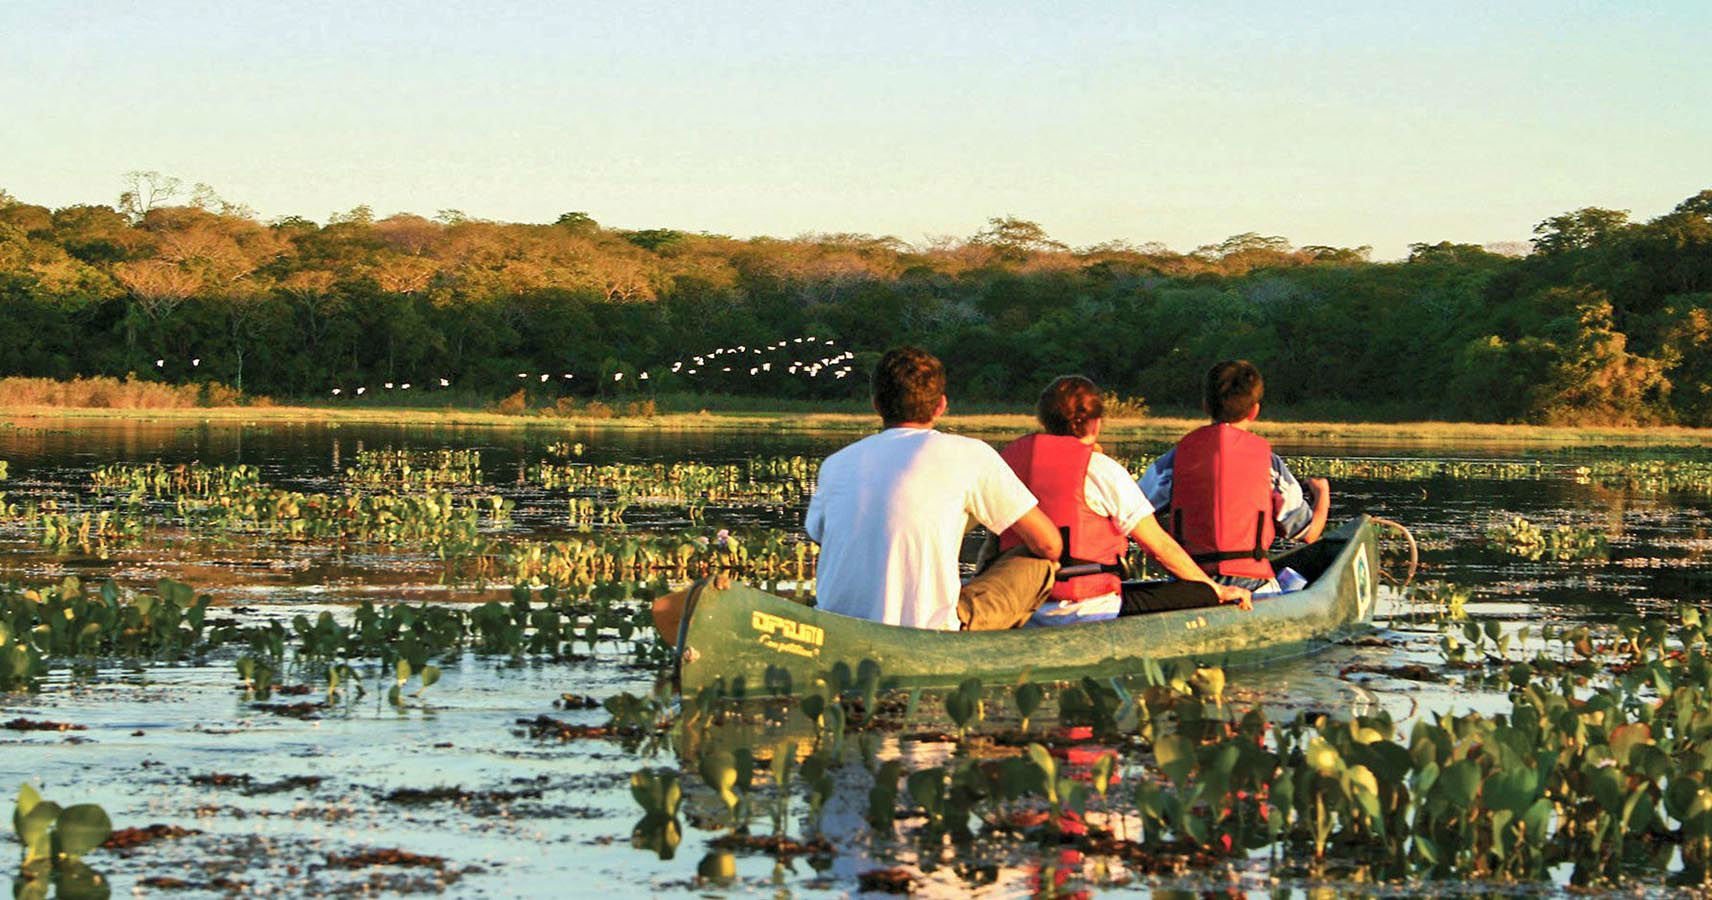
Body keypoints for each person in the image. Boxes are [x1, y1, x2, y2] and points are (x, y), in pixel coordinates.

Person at [651, 346, 1063, 643]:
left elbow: (820, 535)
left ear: (875, 404)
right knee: (1039, 561)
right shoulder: (970, 453)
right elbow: (1047, 542)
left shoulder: (837, 463)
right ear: (941, 406)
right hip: (929, 632)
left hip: (836, 630)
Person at [996, 376, 1251, 626]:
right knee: (1200, 592)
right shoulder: (1101, 469)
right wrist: (1216, 589)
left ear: (1044, 421)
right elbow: (1160, 547)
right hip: (1089, 610)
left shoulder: (1009, 466)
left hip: (1019, 605)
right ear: (1095, 424)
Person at [1139, 360, 1330, 595]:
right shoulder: (1269, 464)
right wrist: (1322, 495)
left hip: (1190, 584)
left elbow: (1133, 512)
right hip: (1253, 586)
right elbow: (1309, 533)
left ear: (1206, 406)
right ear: (1255, 410)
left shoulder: (1173, 462)